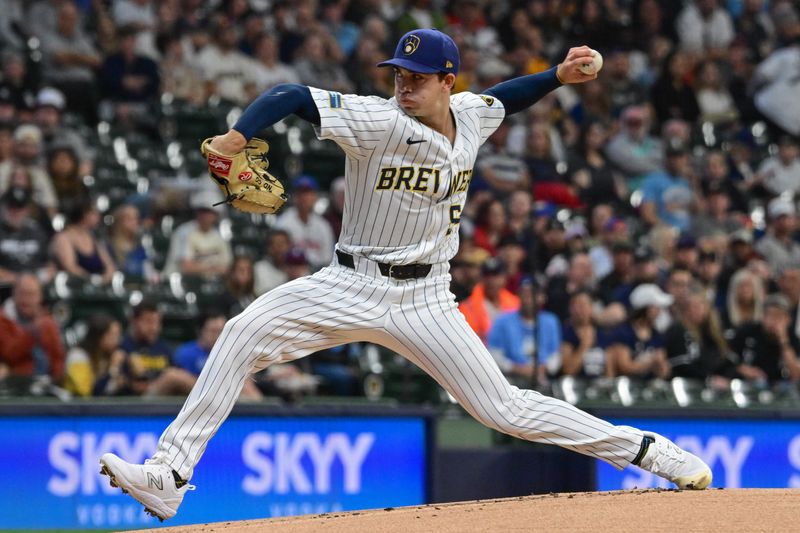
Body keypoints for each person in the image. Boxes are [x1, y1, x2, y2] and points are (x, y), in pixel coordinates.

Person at [100, 30, 712, 522]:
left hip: (426, 297)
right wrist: (237, 139)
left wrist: (555, 76)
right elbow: (290, 94)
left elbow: (508, 96)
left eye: (417, 78)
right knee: (239, 332)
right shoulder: (377, 120)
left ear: (449, 82)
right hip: (350, 281)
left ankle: (645, 450)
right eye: (398, 74)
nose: (403, 85)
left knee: (504, 409)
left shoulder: (470, 115)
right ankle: (169, 476)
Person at [487, 277, 561, 386]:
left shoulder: (550, 321)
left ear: (541, 297)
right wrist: (517, 368)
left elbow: (555, 356)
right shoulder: (502, 320)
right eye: (524, 294)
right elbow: (494, 355)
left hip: (542, 379)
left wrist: (542, 368)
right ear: (518, 296)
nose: (528, 299)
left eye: (532, 294)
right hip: (509, 380)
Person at [64, 314, 126, 397]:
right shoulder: (78, 357)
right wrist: (112, 368)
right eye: (113, 335)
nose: (117, 341)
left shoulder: (107, 356)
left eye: (118, 335)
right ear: (99, 336)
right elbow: (87, 394)